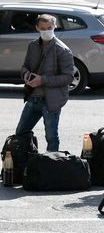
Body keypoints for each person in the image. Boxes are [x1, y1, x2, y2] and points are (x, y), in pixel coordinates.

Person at [14, 14, 74, 152]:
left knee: (52, 137)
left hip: (51, 101)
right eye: (43, 28)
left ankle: (51, 168)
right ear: (37, 28)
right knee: (21, 133)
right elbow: (25, 67)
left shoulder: (62, 50)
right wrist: (26, 75)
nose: (46, 31)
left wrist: (43, 80)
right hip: (33, 98)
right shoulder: (33, 45)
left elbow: (68, 77)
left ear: (54, 27)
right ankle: (23, 165)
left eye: (49, 28)